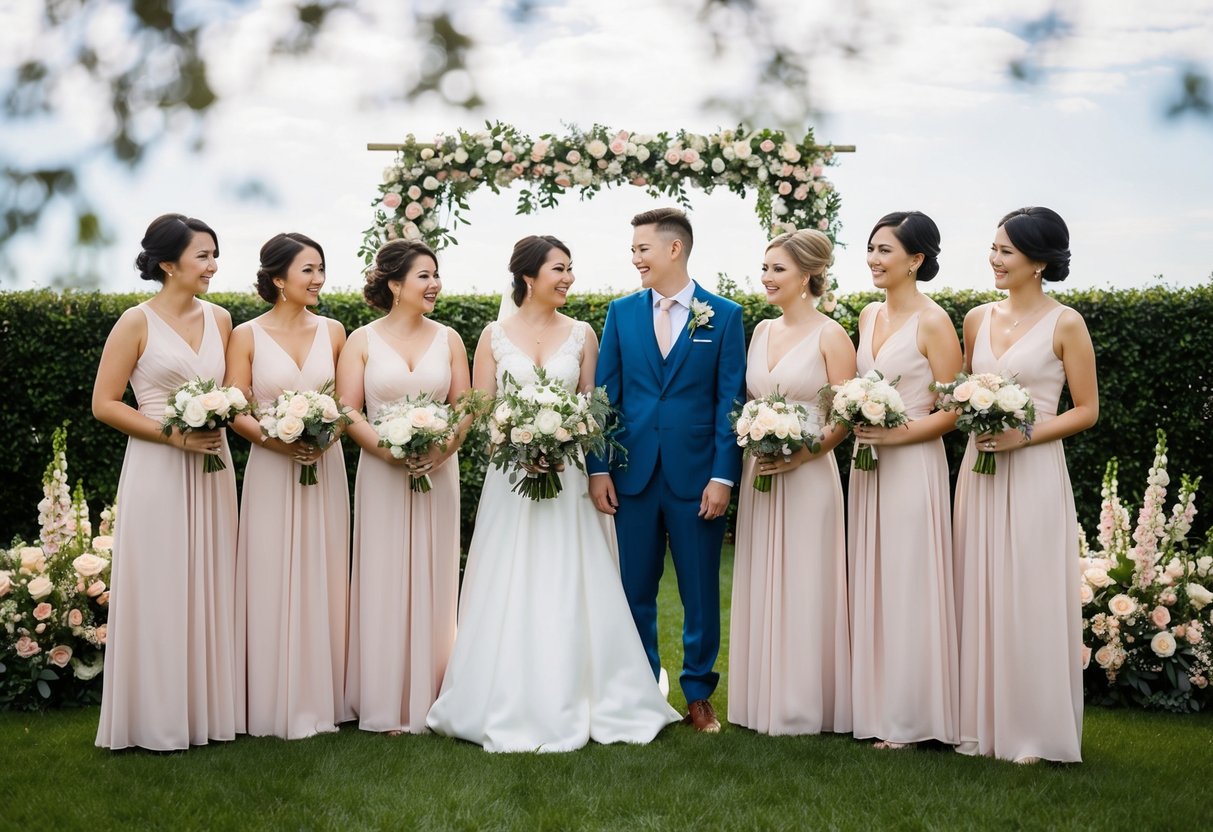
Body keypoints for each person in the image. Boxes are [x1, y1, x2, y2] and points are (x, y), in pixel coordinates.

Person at [427, 235, 680, 752]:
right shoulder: (493, 335)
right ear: (528, 276)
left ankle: (585, 689)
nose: (568, 278)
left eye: (570, 268)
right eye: (558, 269)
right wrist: (516, 443)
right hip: (511, 481)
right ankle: (501, 692)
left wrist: (568, 440)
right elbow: (482, 410)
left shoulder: (583, 333)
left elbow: (594, 406)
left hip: (570, 479)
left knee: (571, 576)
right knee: (510, 576)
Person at [589, 208, 747, 733]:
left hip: (697, 477)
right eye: (634, 250)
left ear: (673, 249)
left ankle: (699, 694)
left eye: (642, 249)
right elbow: (605, 395)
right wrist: (598, 468)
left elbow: (730, 402)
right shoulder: (621, 313)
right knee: (634, 588)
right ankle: (641, 692)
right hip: (631, 475)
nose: (635, 259)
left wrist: (723, 477)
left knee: (699, 590)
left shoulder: (724, 315)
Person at [954, 207, 1098, 764]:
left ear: (1038, 261)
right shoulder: (975, 319)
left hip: (1035, 470)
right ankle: (977, 724)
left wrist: (1024, 434)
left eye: (1006, 251)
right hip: (979, 470)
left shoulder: (1066, 323)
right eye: (993, 248)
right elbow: (963, 392)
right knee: (978, 587)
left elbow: (1086, 409)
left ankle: (1035, 731)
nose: (994, 259)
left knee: (1029, 592)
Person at [93, 213, 238, 750]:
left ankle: (207, 714)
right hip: (158, 466)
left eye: (214, 255)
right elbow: (105, 404)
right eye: (203, 256)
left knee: (211, 581)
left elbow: (232, 392)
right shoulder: (135, 322)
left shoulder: (221, 319)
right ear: (169, 264)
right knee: (161, 584)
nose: (213, 265)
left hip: (213, 467)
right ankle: (154, 719)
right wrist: (173, 435)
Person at [337, 239, 470, 735]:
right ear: (395, 284)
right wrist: (386, 451)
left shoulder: (449, 339)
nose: (435, 284)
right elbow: (347, 409)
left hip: (438, 472)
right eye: (424, 276)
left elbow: (465, 406)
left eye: (436, 275)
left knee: (436, 576)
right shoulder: (362, 340)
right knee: (383, 575)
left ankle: (433, 694)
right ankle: (382, 698)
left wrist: (442, 449)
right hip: (382, 473)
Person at [728, 229, 856, 735]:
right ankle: (760, 698)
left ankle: (806, 704)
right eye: (765, 267)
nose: (766, 277)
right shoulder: (761, 330)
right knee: (762, 575)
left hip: (808, 475)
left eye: (777, 269)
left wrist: (806, 452)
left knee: (806, 581)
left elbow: (844, 414)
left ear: (807, 276)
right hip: (760, 471)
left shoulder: (831, 335)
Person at [225, 233, 350, 739]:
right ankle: (268, 699)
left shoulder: (335, 331)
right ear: (278, 278)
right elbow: (236, 408)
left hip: (325, 466)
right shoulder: (246, 335)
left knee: (325, 569)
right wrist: (279, 442)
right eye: (308, 270)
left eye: (321, 268)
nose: (319, 279)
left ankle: (324, 696)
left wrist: (325, 438)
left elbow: (347, 404)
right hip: (272, 468)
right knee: (270, 571)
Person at [849, 211, 963, 749]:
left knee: (907, 582)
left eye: (885, 250)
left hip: (912, 464)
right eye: (871, 248)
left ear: (915, 259)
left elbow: (953, 411)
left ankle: (913, 718)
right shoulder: (868, 314)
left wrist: (896, 434)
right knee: (872, 581)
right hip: (867, 464)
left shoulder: (934, 322)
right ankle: (875, 709)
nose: (873, 259)